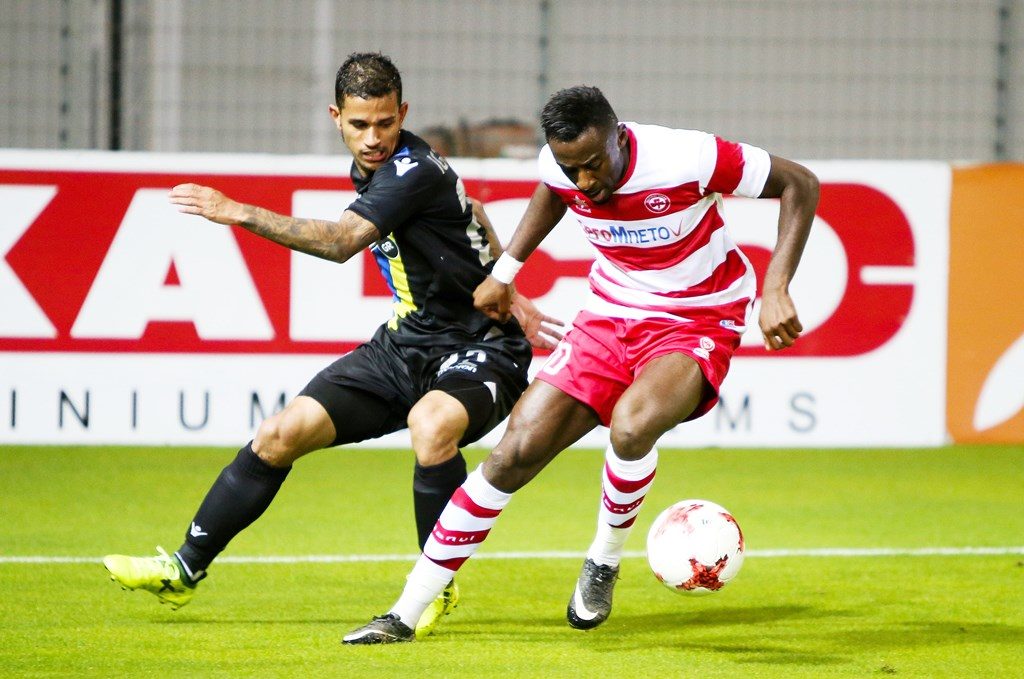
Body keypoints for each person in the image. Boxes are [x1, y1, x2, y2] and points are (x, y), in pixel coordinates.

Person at [102, 52, 562, 639]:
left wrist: (238, 212)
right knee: (279, 434)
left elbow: (342, 242)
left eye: (386, 124)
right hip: (404, 344)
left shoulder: (411, 169)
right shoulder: (380, 168)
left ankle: (433, 586)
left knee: (431, 426)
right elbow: (469, 212)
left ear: (403, 114)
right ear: (335, 117)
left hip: (482, 347)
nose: (373, 138)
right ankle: (183, 569)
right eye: (360, 124)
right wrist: (508, 285)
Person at [342, 85, 819, 643]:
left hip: (697, 317)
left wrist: (777, 286)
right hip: (609, 313)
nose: (586, 181)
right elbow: (553, 192)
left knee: (632, 426)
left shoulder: (688, 157)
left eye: (594, 164)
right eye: (573, 169)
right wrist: (506, 272)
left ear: (619, 136)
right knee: (513, 452)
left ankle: (603, 560)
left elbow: (800, 183)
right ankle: (404, 612)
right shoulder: (562, 165)